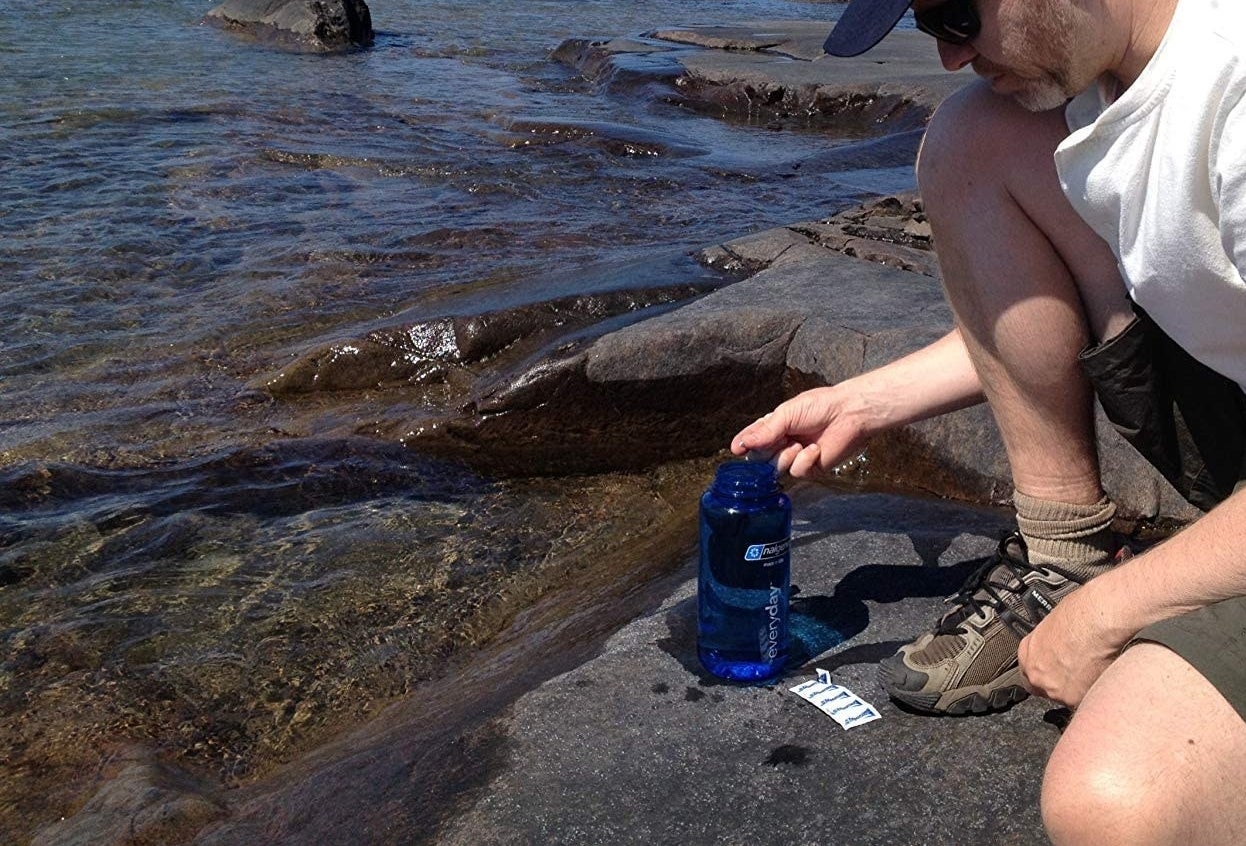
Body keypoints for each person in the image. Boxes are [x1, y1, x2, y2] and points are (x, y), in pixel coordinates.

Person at [731, 0, 1246, 841]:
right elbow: (1133, 291)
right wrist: (865, 403)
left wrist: (1115, 611)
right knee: (976, 137)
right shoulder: (1108, 76)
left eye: (953, 16)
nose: (945, 56)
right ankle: (1061, 558)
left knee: (1117, 803)